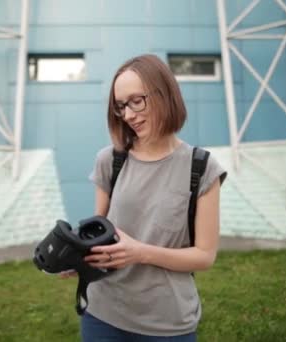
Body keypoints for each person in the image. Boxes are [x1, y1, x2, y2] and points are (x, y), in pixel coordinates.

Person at [80, 54, 226, 341]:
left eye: (137, 100)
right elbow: (100, 232)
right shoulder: (110, 160)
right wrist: (79, 258)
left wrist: (141, 252)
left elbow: (204, 256)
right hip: (102, 314)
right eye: (121, 106)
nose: (129, 114)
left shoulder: (202, 168)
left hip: (167, 325)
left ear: (164, 94)